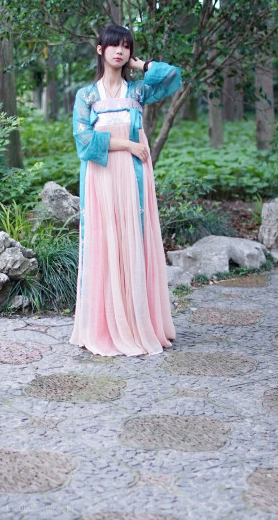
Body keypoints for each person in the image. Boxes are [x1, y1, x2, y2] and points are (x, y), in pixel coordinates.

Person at [69, 21, 182, 358]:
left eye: (127, 46)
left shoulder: (137, 91)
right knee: (106, 244)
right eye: (114, 45)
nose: (121, 51)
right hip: (102, 177)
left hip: (133, 177)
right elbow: (85, 142)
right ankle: (104, 325)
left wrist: (142, 66)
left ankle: (137, 322)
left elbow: (172, 77)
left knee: (134, 241)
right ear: (100, 49)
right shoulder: (86, 95)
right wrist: (127, 145)